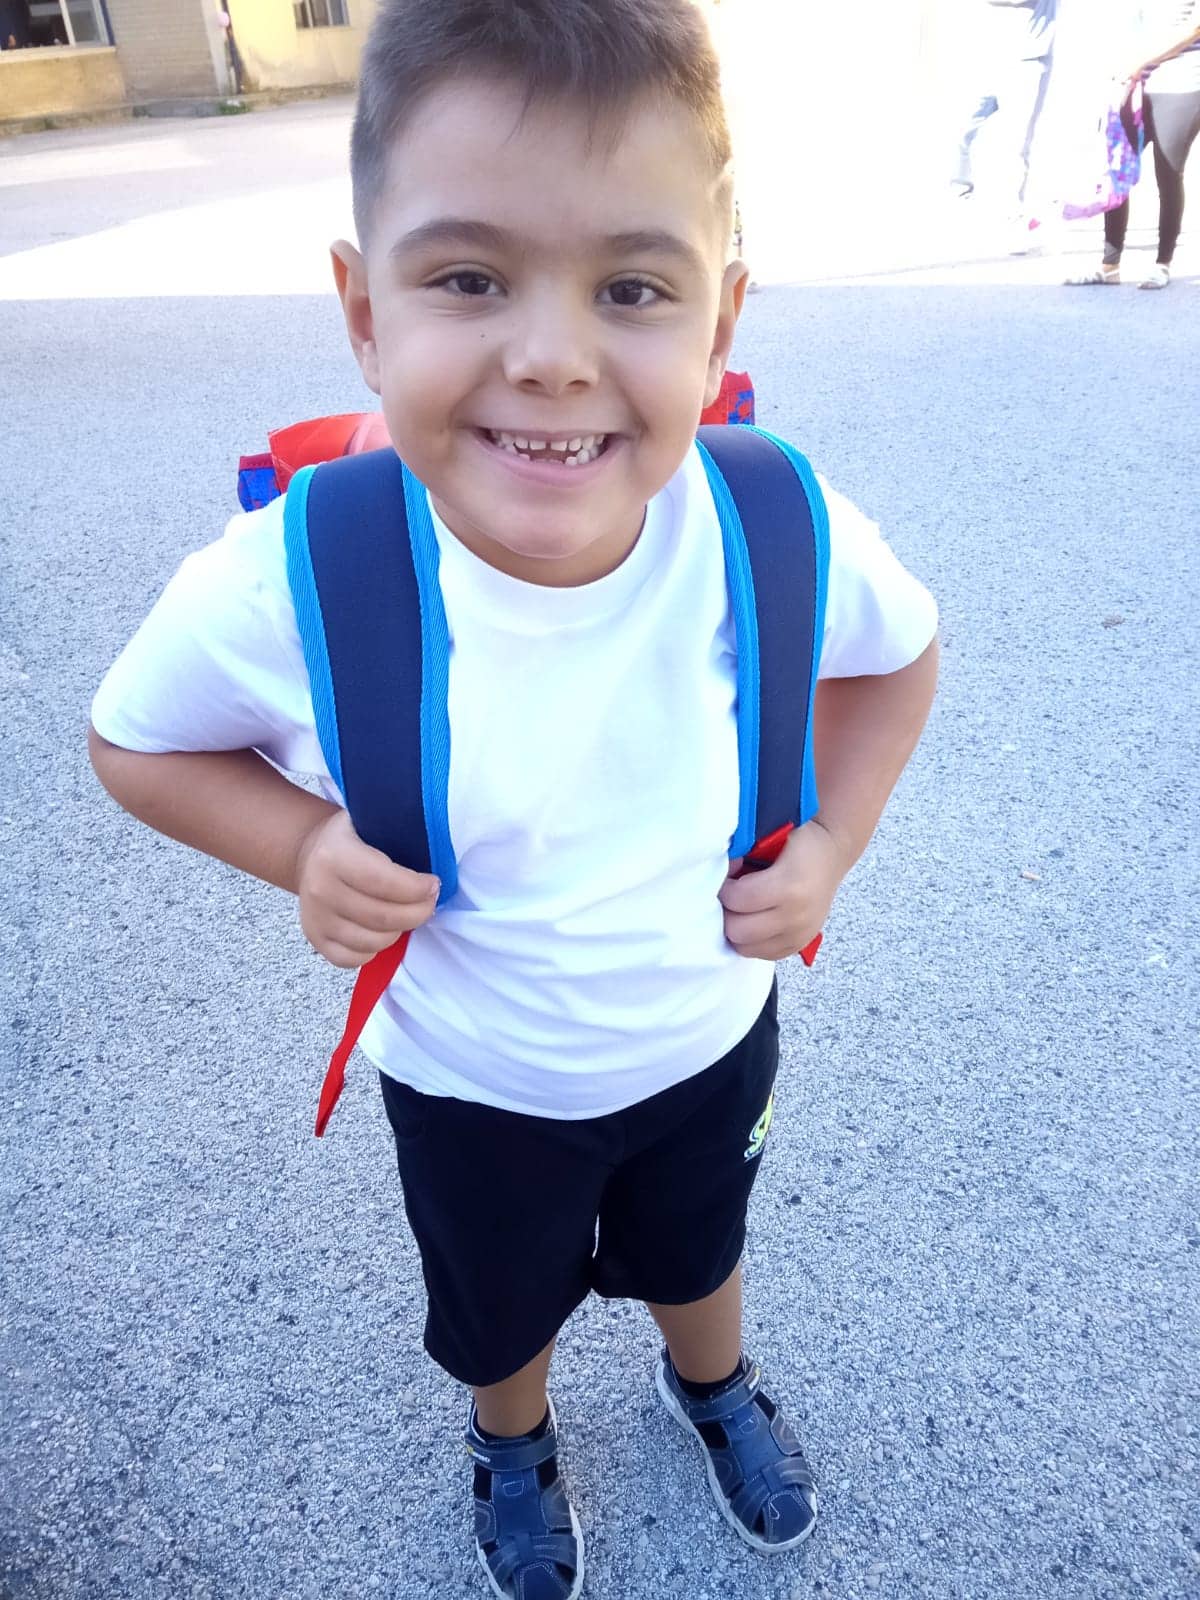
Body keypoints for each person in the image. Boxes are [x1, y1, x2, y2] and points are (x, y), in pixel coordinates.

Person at [87, 2, 939, 1596]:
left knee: (701, 1246)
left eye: (632, 287)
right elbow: (134, 743)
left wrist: (834, 840)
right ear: (364, 312)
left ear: (721, 319)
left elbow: (898, 661)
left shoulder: (769, 519)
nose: (551, 354)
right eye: (471, 278)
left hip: (705, 1035)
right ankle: (514, 1436)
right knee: (497, 1302)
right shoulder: (295, 571)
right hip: (473, 1076)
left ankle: (711, 1383)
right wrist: (302, 845)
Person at [1068, 0, 1200, 288]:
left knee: (1168, 173)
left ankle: (1162, 264)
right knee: (1118, 168)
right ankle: (1109, 266)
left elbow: (1193, 29)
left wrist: (1140, 62)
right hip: (1135, 83)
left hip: (1182, 85)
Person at [952, 0, 1059, 220]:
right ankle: (959, 186)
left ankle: (1014, 204)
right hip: (987, 54)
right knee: (965, 126)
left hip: (1030, 59)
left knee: (1019, 138)